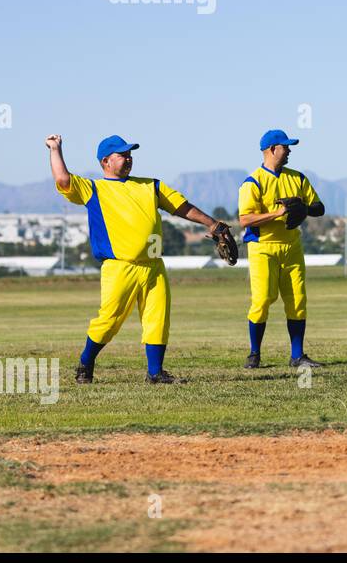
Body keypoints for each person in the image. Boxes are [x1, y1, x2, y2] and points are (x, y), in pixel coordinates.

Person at [46, 134, 229, 384]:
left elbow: (182, 207)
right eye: (122, 155)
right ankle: (86, 363)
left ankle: (155, 373)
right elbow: (62, 179)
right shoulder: (94, 189)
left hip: (154, 265)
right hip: (120, 266)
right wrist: (56, 149)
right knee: (109, 321)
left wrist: (213, 223)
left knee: (157, 319)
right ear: (105, 161)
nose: (129, 158)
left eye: (130, 154)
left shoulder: (150, 185)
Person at [238, 129, 326, 369]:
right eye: (285, 146)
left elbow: (319, 207)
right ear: (272, 149)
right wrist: (278, 213)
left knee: (297, 300)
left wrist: (303, 209)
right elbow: (245, 220)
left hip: (291, 246)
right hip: (262, 247)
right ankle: (254, 353)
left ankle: (297, 356)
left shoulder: (297, 178)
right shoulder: (253, 181)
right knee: (263, 299)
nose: (289, 150)